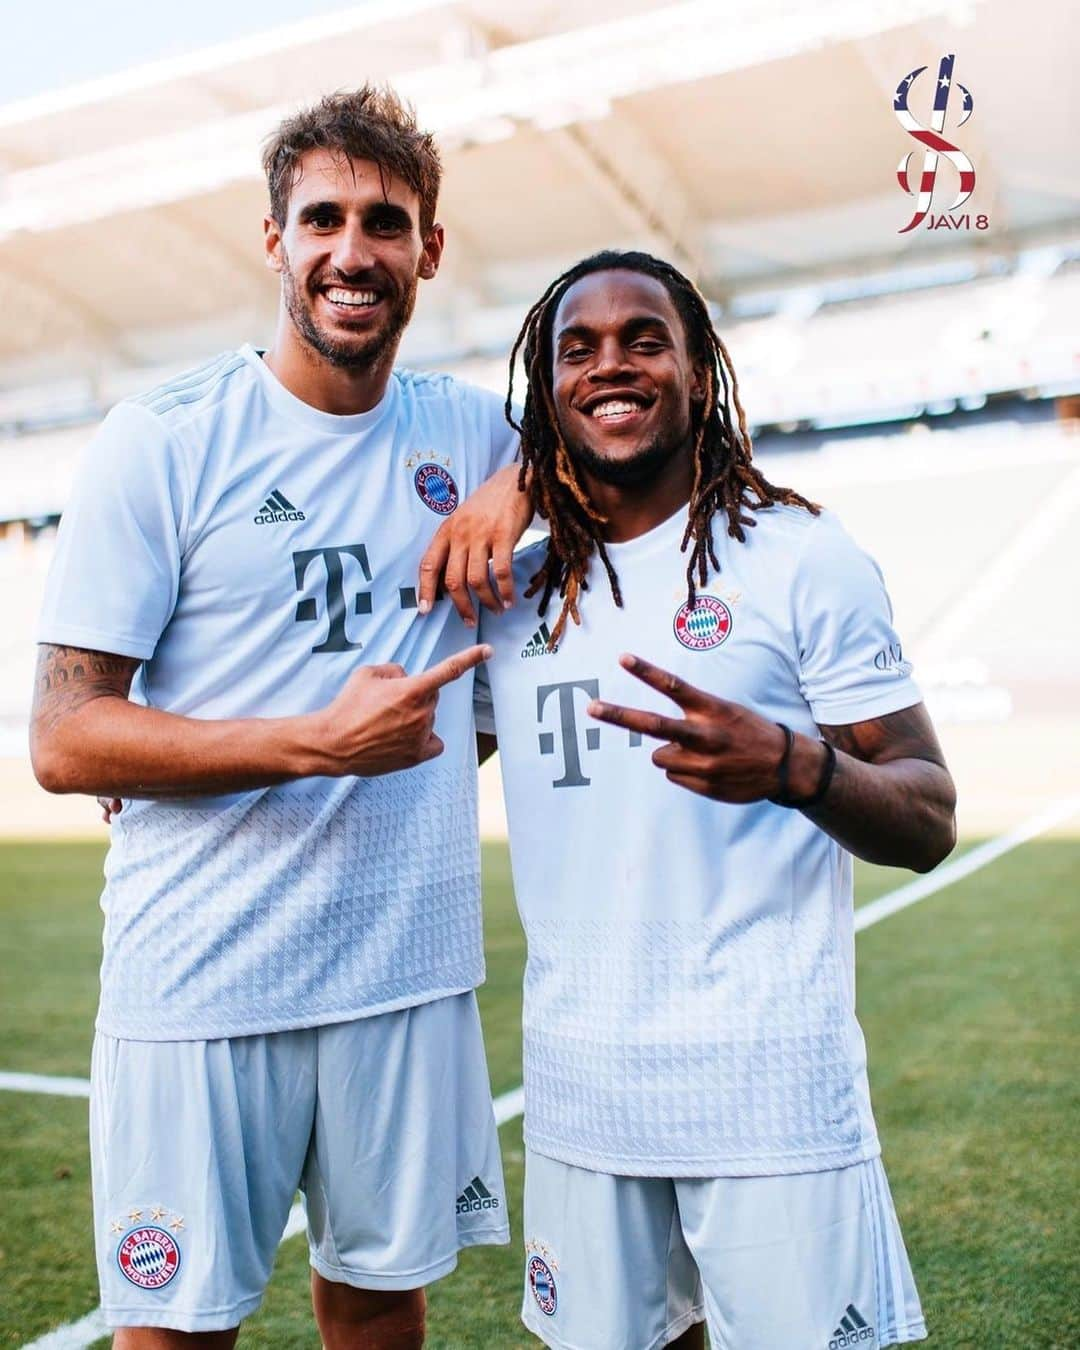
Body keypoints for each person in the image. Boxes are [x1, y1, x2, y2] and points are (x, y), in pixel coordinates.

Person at [31, 87, 530, 1350]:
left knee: (377, 1307)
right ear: (275, 242)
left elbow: (628, 427)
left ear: (429, 249)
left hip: (401, 974)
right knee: (178, 1329)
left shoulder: (471, 431)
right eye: (322, 219)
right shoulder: (164, 441)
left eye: (385, 221)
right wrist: (314, 741)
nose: (352, 251)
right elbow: (66, 737)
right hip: (203, 977)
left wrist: (521, 483)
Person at [473, 250, 957, 1350]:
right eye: (577, 347)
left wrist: (797, 765)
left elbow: (929, 817)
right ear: (546, 390)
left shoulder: (798, 559)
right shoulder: (516, 595)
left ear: (700, 369)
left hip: (771, 1093)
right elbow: (407, 770)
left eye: (645, 338)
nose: (612, 364)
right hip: (582, 1090)